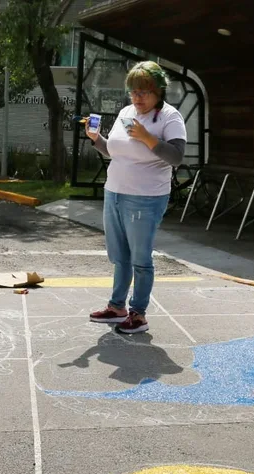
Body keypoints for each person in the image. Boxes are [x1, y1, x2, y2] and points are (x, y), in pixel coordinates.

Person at [84, 61, 187, 334]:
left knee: (141, 258)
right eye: (133, 92)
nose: (137, 98)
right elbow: (114, 151)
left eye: (143, 92)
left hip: (145, 197)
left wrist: (147, 138)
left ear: (159, 92)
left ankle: (138, 314)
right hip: (115, 191)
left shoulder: (169, 117)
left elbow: (176, 157)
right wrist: (96, 139)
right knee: (119, 255)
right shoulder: (126, 112)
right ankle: (117, 307)